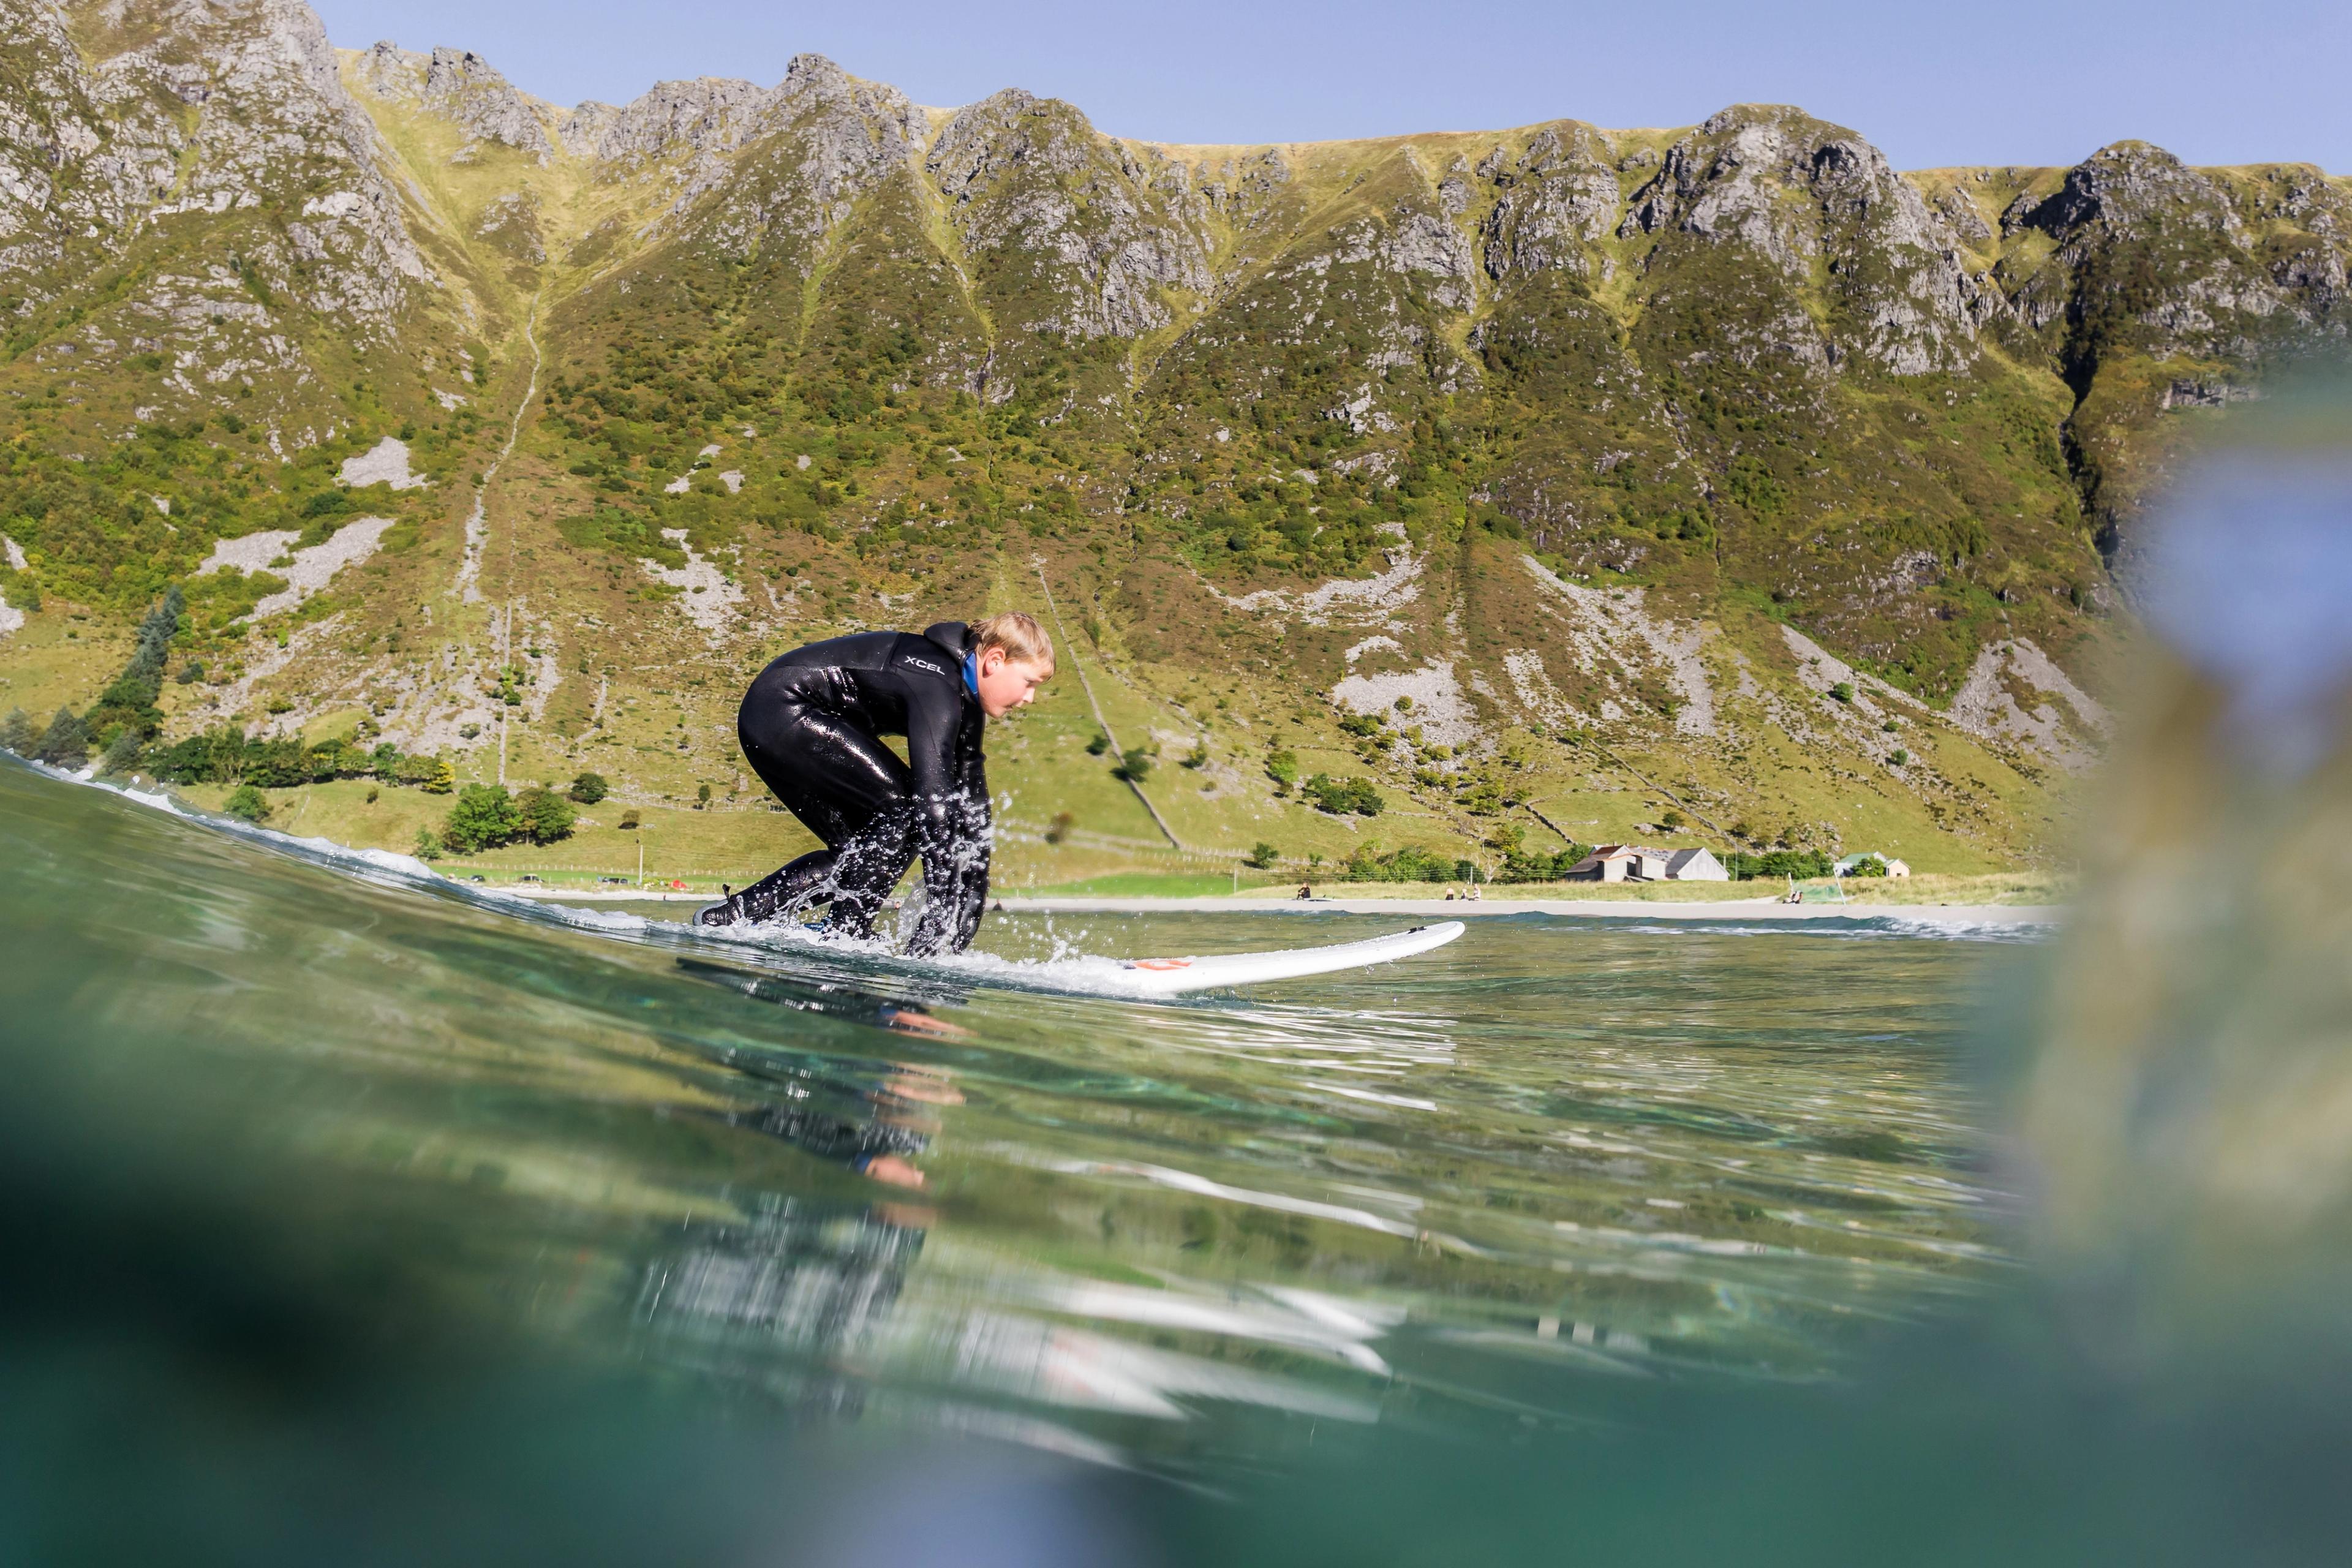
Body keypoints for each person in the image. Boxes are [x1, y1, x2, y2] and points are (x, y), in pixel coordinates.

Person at [696, 611, 1055, 954]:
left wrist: (970, 903)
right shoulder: (936, 682)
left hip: (781, 718)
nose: (1029, 698)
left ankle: (739, 917)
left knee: (864, 849)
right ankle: (842, 929)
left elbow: (972, 803)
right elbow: (934, 799)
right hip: (782, 708)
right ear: (994, 660)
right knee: (904, 811)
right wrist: (940, 908)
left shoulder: (964, 699)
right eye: (1029, 683)